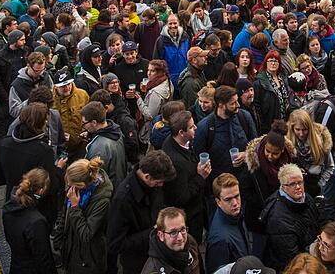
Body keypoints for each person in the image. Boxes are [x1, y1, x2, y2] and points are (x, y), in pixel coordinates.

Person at [106, 150, 176, 274]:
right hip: (138, 264)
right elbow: (115, 244)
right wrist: (152, 233)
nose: (161, 185)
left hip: (158, 254)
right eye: (159, 182)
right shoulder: (123, 200)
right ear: (147, 176)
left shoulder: (152, 185)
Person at [161, 111, 211, 243]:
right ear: (181, 133)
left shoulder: (175, 141)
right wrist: (201, 176)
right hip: (190, 217)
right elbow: (181, 197)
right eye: (191, 127)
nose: (196, 128)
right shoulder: (177, 162)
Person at [259, 163, 321, 271]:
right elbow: (291, 258)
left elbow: (319, 221)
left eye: (300, 182)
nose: (298, 187)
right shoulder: (277, 218)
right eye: (292, 184)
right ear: (283, 186)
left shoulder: (306, 198)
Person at [60, 156, 113, 274]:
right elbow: (65, 213)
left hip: (88, 259)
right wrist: (59, 238)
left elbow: (86, 234)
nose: (70, 189)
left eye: (73, 185)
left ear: (83, 185)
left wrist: (75, 207)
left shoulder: (102, 201)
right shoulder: (74, 189)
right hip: (71, 249)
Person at [193, 85, 257, 177]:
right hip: (220, 181)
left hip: (246, 177)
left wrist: (246, 154)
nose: (238, 105)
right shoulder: (205, 126)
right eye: (233, 103)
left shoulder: (244, 117)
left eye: (237, 101)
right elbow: (199, 157)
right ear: (220, 105)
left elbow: (256, 144)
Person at [2, 168, 55, 274]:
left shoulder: (9, 207)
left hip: (16, 264)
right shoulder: (37, 222)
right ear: (40, 191)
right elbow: (44, 259)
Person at [205, 173, 249, 274]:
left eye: (237, 196)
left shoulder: (235, 215)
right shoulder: (220, 240)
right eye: (228, 199)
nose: (235, 203)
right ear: (218, 202)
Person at [141, 207, 200, 274]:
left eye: (183, 229)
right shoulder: (153, 270)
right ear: (161, 235)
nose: (180, 238)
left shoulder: (190, 242)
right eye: (173, 233)